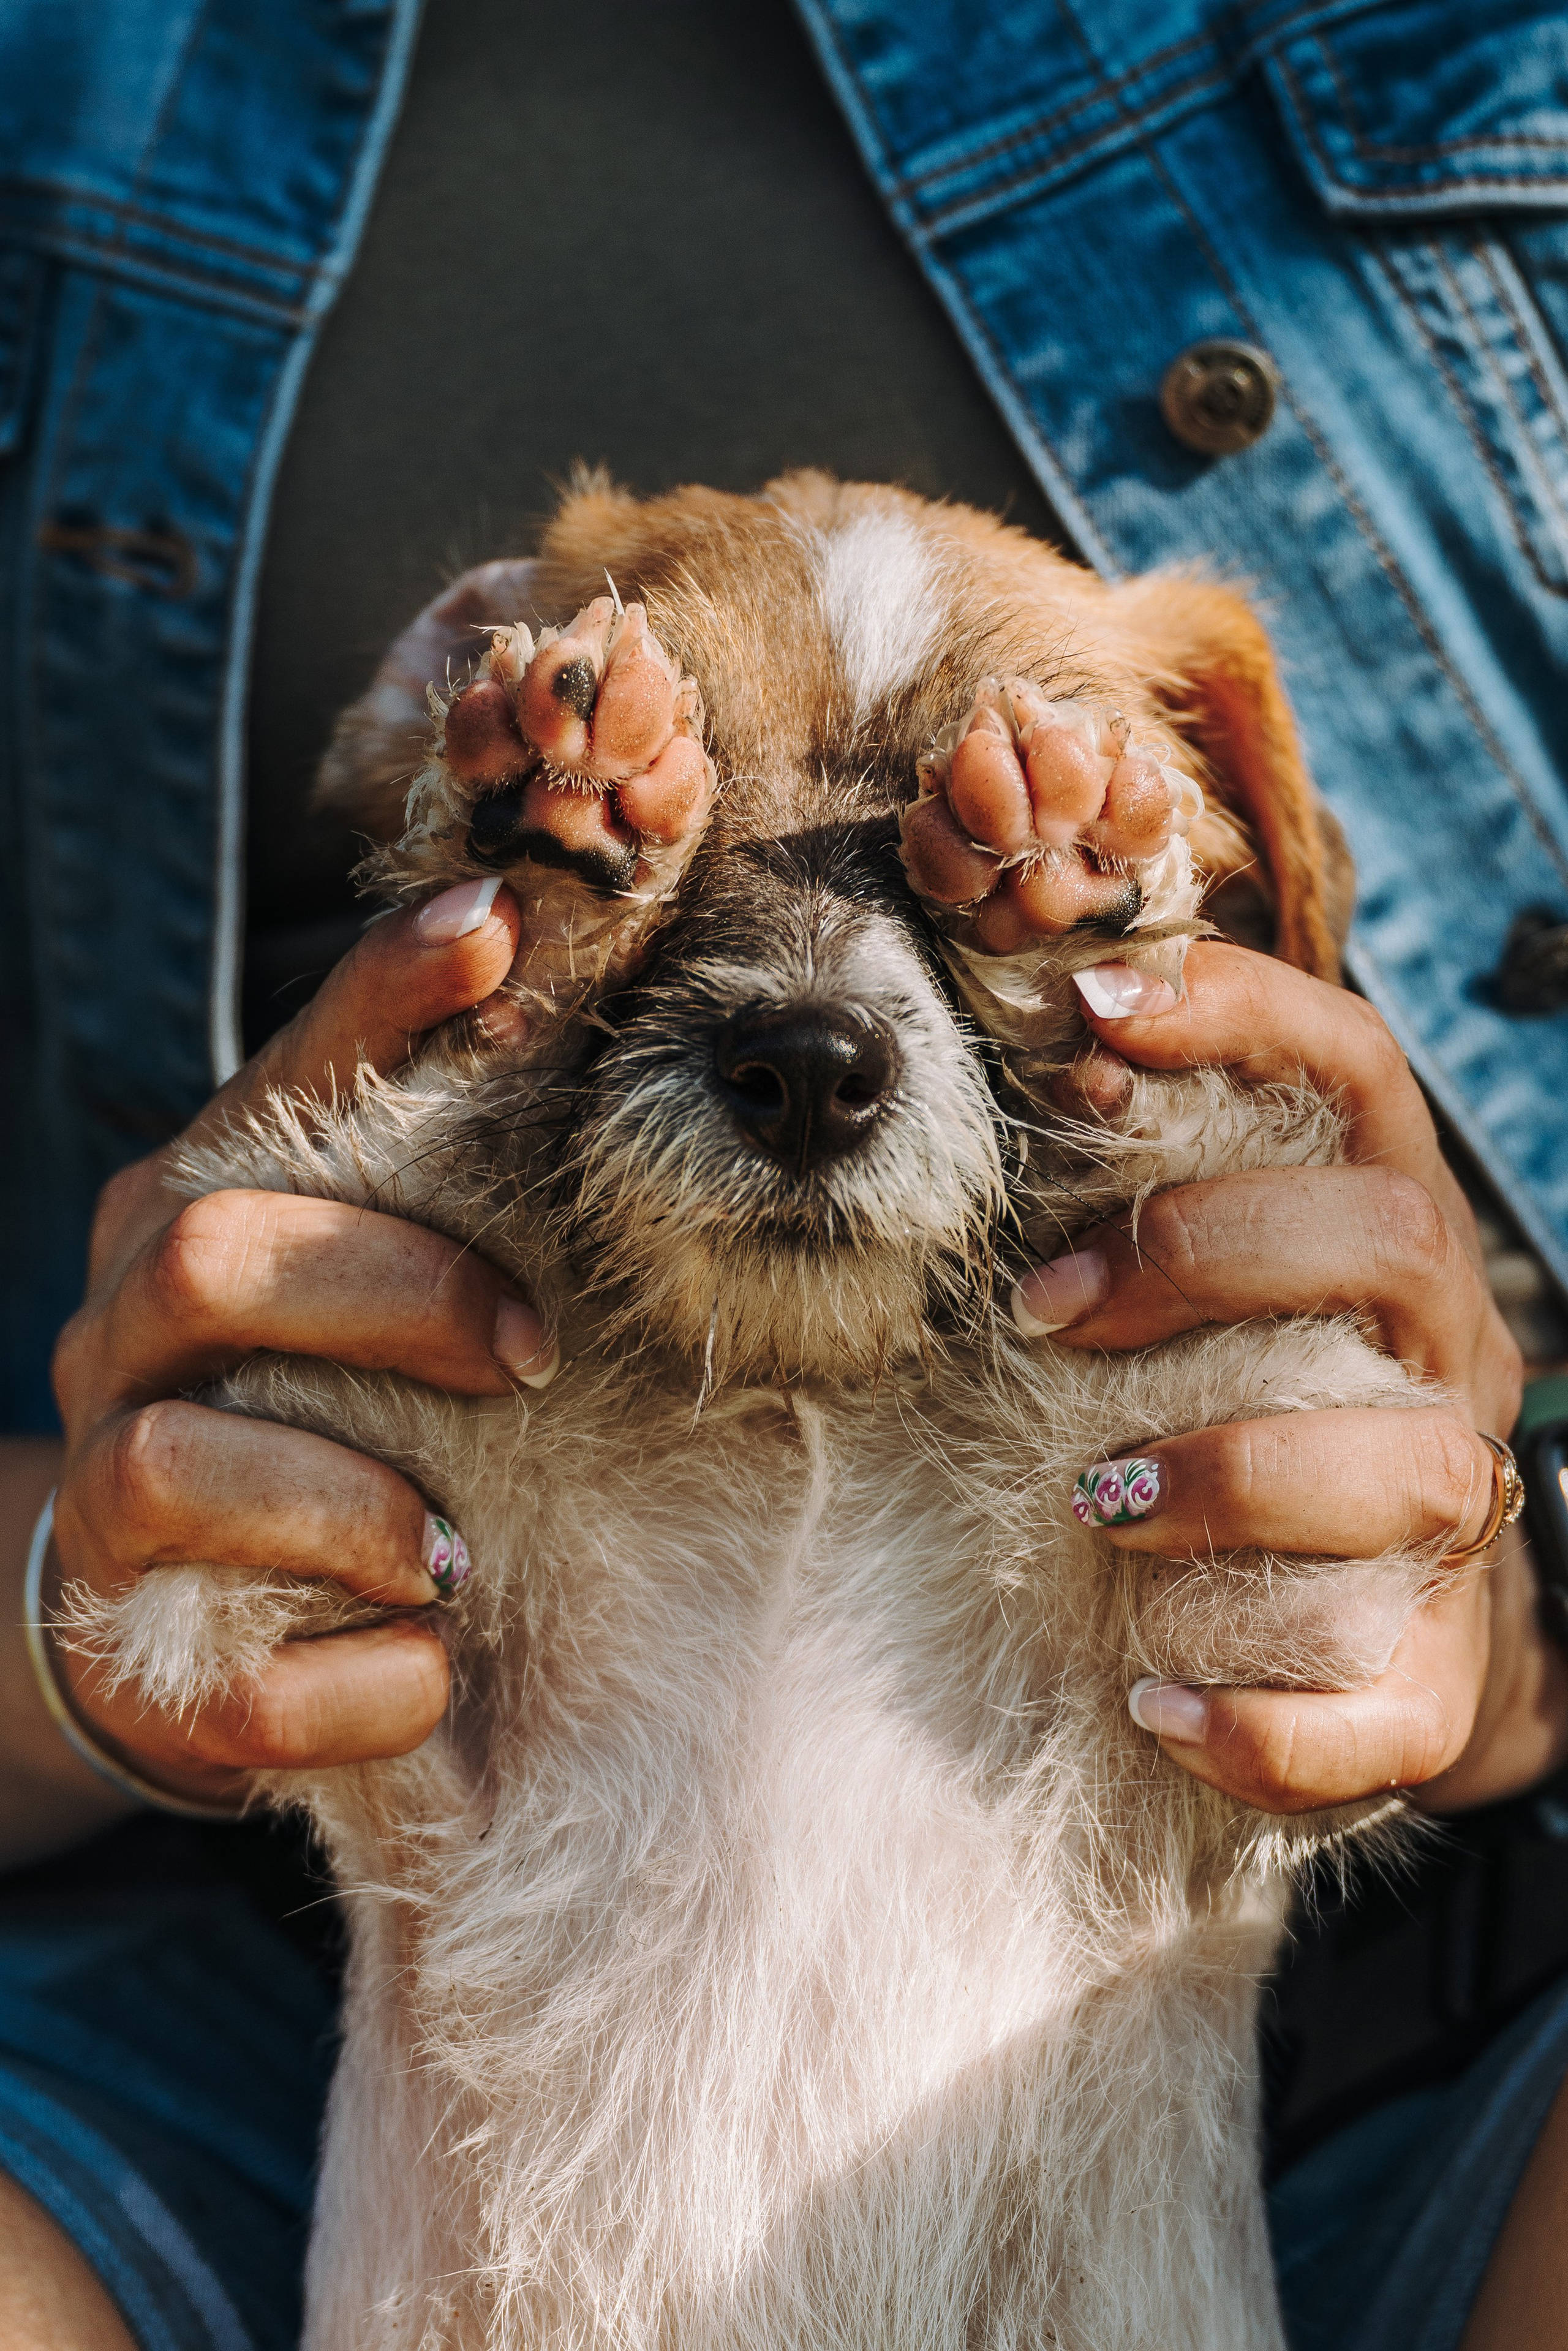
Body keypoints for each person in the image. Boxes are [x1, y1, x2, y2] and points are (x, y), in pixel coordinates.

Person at [4, 2, 1567, 2347]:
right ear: (456, 699)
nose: (821, 1013)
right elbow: (167, 1589)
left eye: (1003, 853)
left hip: (1429, 2035)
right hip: (219, 1972)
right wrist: (97, 1581)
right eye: (661, 817)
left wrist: (1509, 1612)